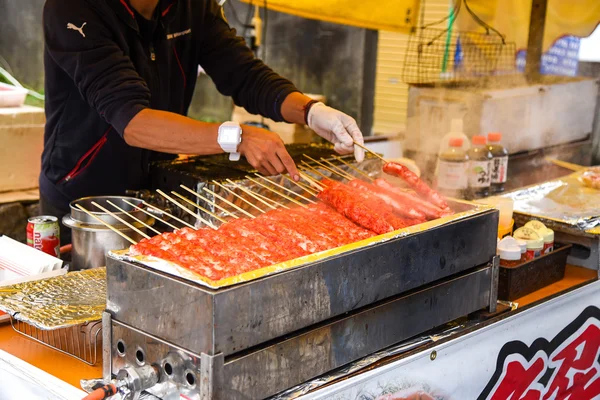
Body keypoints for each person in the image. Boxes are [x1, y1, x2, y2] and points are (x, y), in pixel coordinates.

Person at [40, 0, 365, 243]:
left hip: (160, 189)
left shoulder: (191, 6)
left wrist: (310, 112)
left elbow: (244, 74)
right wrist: (236, 137)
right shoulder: (73, 8)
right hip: (87, 199)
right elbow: (133, 121)